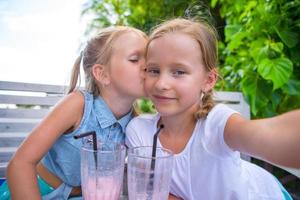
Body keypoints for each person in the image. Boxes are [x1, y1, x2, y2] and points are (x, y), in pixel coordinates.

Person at [125, 18, 300, 200]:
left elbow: (267, 135)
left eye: (179, 72)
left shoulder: (217, 124)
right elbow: (155, 191)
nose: (161, 84)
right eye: (153, 70)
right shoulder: (140, 131)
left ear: (208, 80)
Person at [0, 26, 147, 199]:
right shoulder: (78, 105)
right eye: (135, 59)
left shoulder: (136, 124)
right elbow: (20, 164)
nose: (148, 66)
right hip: (37, 191)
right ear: (102, 74)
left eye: (150, 59)